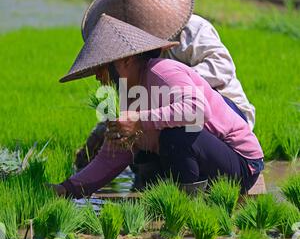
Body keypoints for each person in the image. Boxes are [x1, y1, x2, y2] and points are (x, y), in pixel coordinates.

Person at [52, 12, 264, 199]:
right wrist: (67, 188)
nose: (99, 77)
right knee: (146, 157)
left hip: (242, 163)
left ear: (126, 61)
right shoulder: (130, 94)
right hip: (211, 162)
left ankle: (188, 207)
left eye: (103, 68)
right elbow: (112, 156)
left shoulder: (163, 71)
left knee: (175, 136)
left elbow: (198, 110)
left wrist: (139, 121)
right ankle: (174, 200)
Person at [74, 0, 256, 187]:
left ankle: (190, 195)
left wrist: (176, 84)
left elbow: (221, 69)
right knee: (142, 149)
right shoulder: (132, 71)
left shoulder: (192, 30)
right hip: (170, 114)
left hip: (222, 118)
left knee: (175, 135)